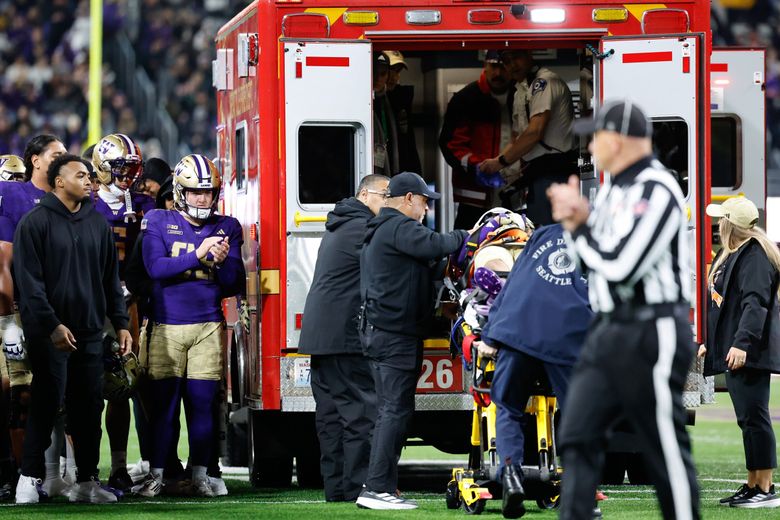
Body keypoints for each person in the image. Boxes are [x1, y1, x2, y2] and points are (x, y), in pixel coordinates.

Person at [547, 100, 699, 520]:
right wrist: (575, 223)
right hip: (607, 328)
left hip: (651, 328)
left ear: (616, 139)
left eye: (596, 136)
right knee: (577, 435)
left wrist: (579, 226)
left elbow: (619, 266)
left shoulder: (657, 187)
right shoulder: (614, 188)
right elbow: (585, 263)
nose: (591, 145)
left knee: (662, 445)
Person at [13, 154, 131, 504]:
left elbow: (111, 280)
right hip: (48, 333)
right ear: (58, 181)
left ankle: (87, 479)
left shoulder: (97, 224)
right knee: (46, 404)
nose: (89, 180)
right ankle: (30, 476)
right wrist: (52, 325)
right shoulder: (34, 223)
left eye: (90, 175)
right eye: (80, 175)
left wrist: (121, 323)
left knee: (88, 407)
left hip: (91, 331)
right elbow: (30, 285)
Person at [356, 172, 468, 510]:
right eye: (423, 202)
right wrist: (468, 235)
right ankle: (376, 488)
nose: (425, 210)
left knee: (395, 411)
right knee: (393, 411)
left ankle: (384, 485)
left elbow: (424, 264)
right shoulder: (397, 227)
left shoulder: (387, 229)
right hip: (393, 335)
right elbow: (437, 245)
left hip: (386, 333)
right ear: (407, 199)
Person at [135, 154, 245, 498]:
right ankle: (158, 474)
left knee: (202, 405)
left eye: (209, 192)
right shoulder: (157, 219)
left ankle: (201, 475)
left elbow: (233, 283)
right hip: (166, 325)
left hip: (207, 326)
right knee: (164, 408)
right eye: (196, 192)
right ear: (180, 192)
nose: (203, 199)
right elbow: (155, 268)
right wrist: (198, 254)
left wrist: (224, 263)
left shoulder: (228, 226)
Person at [473, 223, 592, 518]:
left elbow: (514, 286)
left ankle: (511, 475)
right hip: (564, 337)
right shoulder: (600, 239)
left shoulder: (541, 236)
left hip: (519, 332)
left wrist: (489, 336)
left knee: (509, 408)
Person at [298, 174, 389, 502]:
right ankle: (360, 487)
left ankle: (337, 488)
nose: (389, 204)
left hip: (321, 337)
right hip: (344, 337)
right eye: (385, 196)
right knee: (360, 413)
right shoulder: (362, 229)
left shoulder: (342, 224)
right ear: (365, 194)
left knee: (332, 418)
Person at [699, 197, 780, 508]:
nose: (718, 225)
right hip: (737, 349)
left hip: (750, 351)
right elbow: (725, 304)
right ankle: (752, 484)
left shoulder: (756, 256)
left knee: (755, 418)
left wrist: (742, 344)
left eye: (722, 219)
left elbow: (754, 304)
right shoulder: (736, 252)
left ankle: (766, 487)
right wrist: (712, 341)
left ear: (730, 223)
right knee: (747, 419)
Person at [0, 135, 68, 497]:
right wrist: (9, 319)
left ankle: (56, 474)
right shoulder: (13, 195)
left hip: (58, 310)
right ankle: (16, 475)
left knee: (58, 395)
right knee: (18, 394)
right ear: (35, 160)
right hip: (22, 310)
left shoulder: (68, 197)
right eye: (55, 154)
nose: (62, 158)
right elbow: (5, 258)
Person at [91, 133, 155, 492]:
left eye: (132, 169)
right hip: (95, 306)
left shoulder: (145, 205)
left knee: (130, 386)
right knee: (88, 393)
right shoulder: (86, 205)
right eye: (120, 168)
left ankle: (126, 465)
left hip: (136, 306)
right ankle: (71, 469)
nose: (127, 176)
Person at [481, 50, 578, 227]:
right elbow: (517, 137)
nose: (512, 65)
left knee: (551, 235)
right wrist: (499, 165)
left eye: (516, 57)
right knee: (536, 232)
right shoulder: (520, 90)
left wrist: (501, 162)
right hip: (536, 174)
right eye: (507, 61)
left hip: (554, 173)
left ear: (529, 55)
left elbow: (535, 132)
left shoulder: (544, 82)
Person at [439, 51, 516, 229]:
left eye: (503, 67)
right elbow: (450, 144)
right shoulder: (466, 98)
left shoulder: (522, 95)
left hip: (514, 191)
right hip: (474, 196)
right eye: (493, 66)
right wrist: (478, 168)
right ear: (485, 66)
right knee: (468, 246)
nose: (498, 73)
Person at [384, 51, 422, 175]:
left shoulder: (402, 100)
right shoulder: (371, 101)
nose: (395, 77)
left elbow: (407, 142)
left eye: (398, 71)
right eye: (391, 70)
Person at [373, 52, 399, 176]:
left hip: (387, 168)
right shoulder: (363, 101)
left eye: (382, 74)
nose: (378, 78)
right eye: (374, 73)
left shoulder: (389, 101)